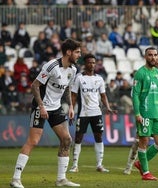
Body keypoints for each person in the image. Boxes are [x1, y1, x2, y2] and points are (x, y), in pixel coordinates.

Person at [10, 38, 81, 188]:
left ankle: (61, 179)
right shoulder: (51, 66)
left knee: (67, 140)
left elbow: (67, 88)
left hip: (56, 108)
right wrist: (41, 106)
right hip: (40, 106)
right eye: (77, 52)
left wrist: (70, 107)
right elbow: (35, 86)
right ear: (68, 52)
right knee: (33, 141)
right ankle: (16, 178)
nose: (79, 55)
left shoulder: (73, 70)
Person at [69, 53, 116, 173]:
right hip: (83, 113)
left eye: (94, 62)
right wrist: (71, 109)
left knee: (99, 137)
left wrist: (108, 107)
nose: (92, 64)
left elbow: (103, 95)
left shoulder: (99, 78)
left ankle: (99, 165)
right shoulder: (79, 78)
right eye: (89, 62)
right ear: (85, 64)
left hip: (96, 112)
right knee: (79, 137)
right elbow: (73, 95)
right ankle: (75, 165)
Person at [130, 47, 158, 181]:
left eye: (155, 55)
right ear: (145, 57)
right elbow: (135, 95)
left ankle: (140, 163)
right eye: (150, 55)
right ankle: (146, 173)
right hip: (145, 113)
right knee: (144, 141)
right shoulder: (140, 73)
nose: (153, 58)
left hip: (157, 114)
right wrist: (137, 114)